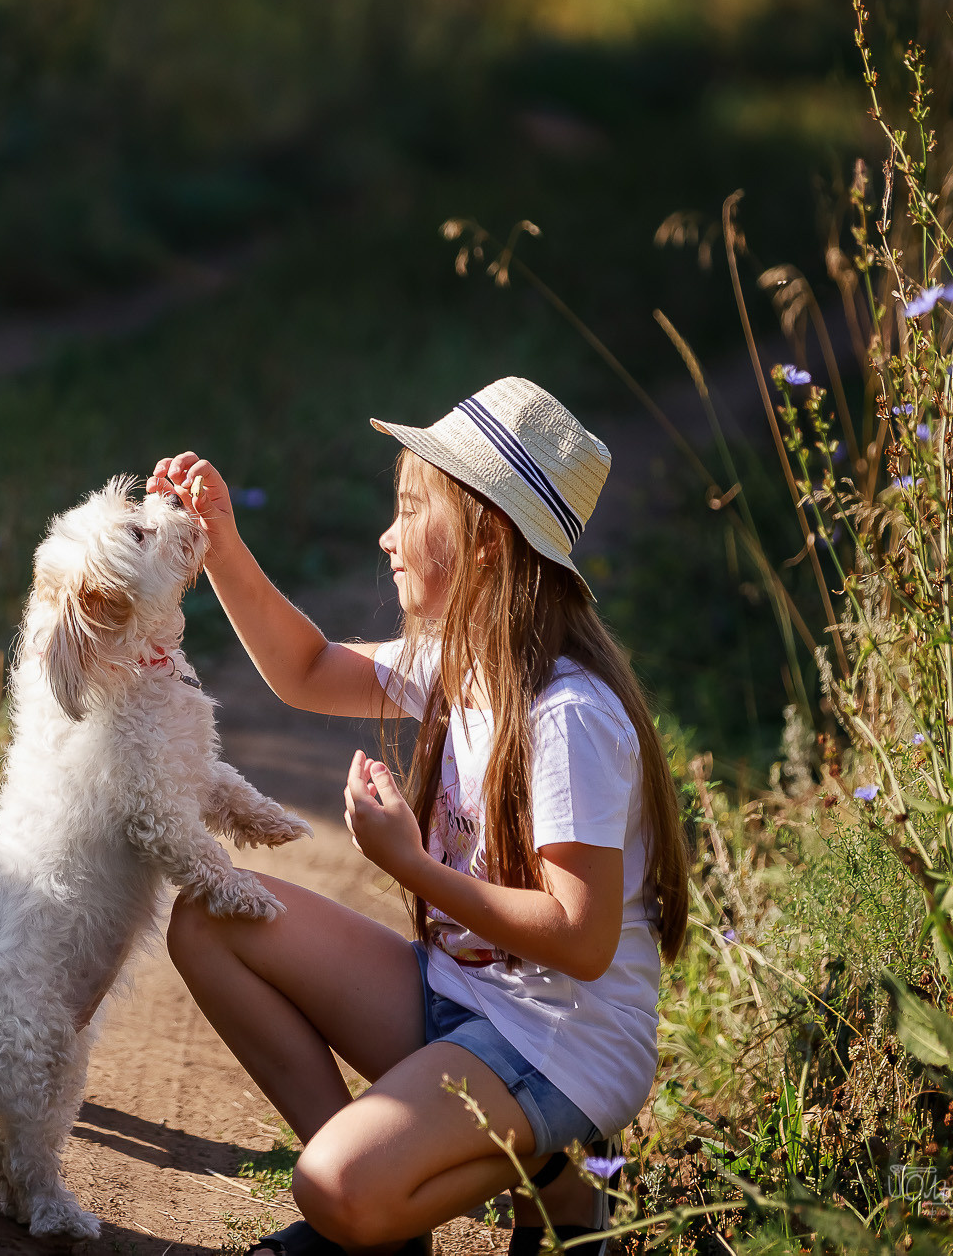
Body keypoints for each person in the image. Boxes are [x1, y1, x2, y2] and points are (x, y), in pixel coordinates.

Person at [149, 378, 689, 1256]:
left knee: (331, 1185)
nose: (386, 537)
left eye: (409, 510)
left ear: (484, 542)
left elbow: (582, 939)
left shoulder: (568, 716)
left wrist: (413, 865)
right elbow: (308, 669)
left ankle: (557, 1181)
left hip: (562, 1044)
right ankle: (382, 1223)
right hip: (459, 999)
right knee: (212, 920)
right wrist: (221, 547)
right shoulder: (458, 660)